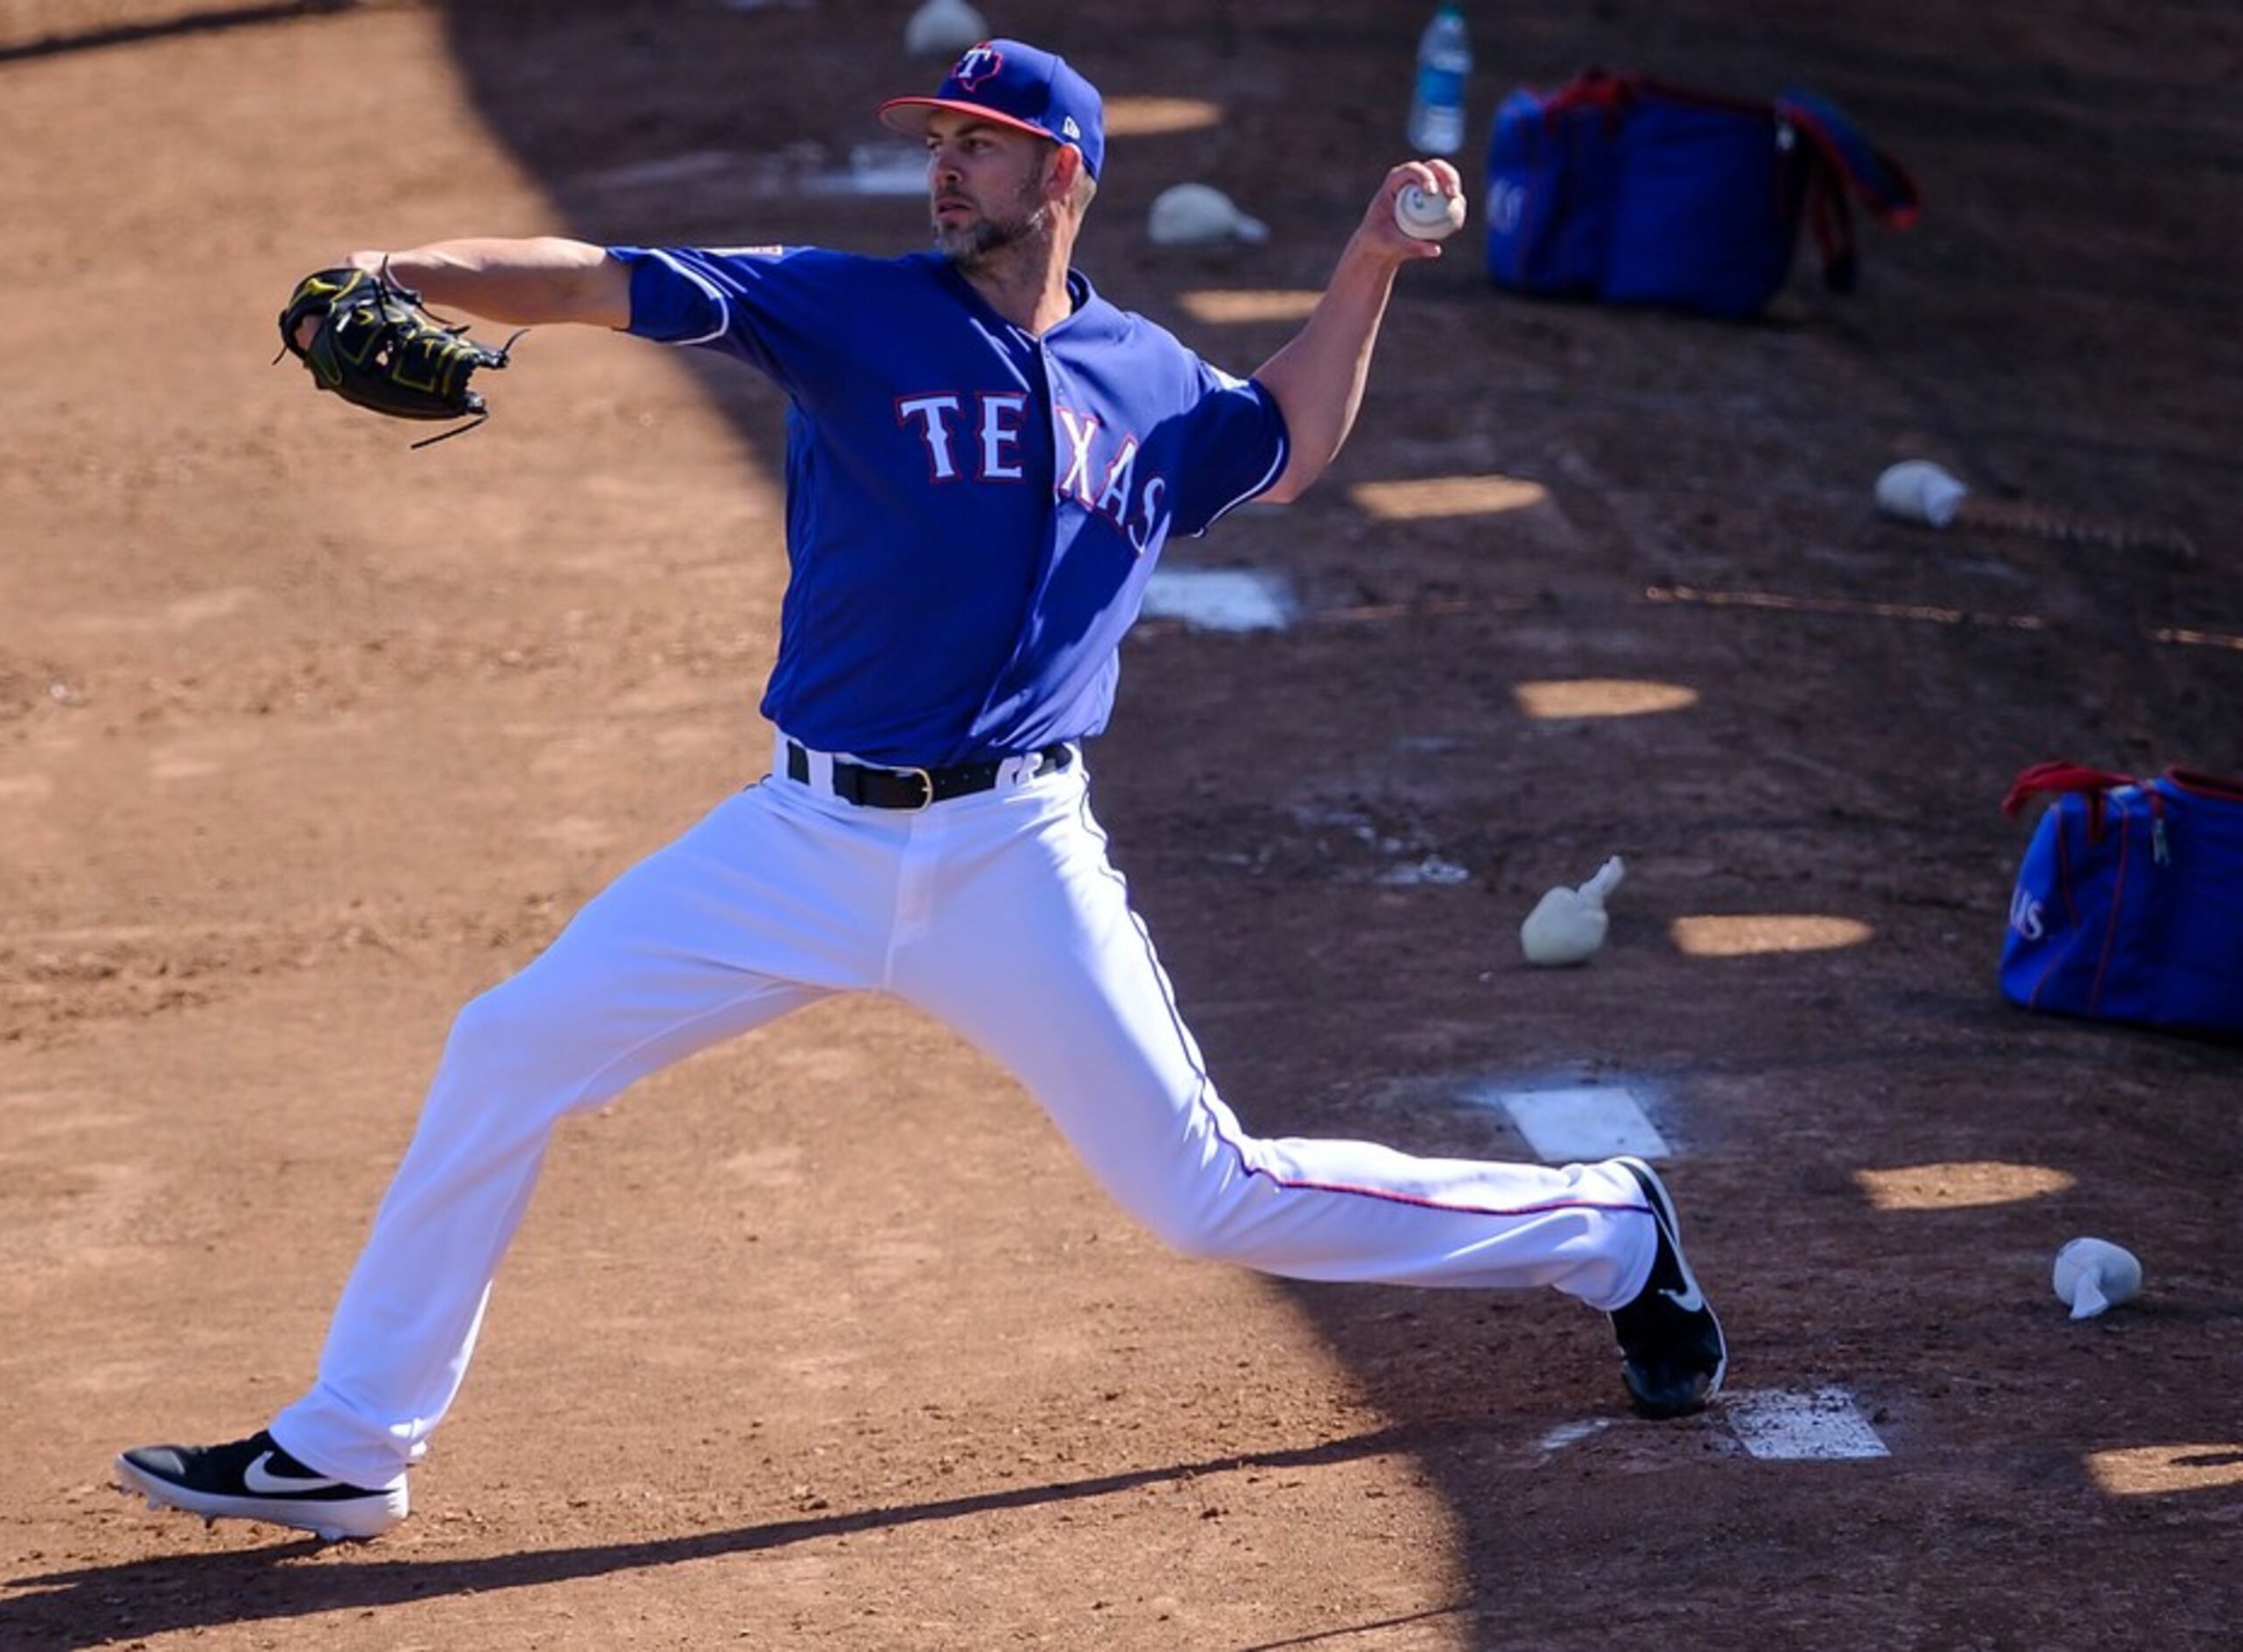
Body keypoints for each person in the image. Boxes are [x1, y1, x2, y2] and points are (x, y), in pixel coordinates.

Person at [116, 39, 1726, 1544]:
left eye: (983, 146)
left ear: (1066, 171)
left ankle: (1606, 1228)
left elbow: (1288, 444)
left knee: (1205, 1193)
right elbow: (603, 279)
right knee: (509, 1047)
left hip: (1012, 854)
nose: (947, 170)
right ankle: (348, 1444)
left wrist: (1368, 262)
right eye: (939, 144)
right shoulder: (843, 310)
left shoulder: (1146, 382)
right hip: (797, 840)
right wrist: (399, 272)